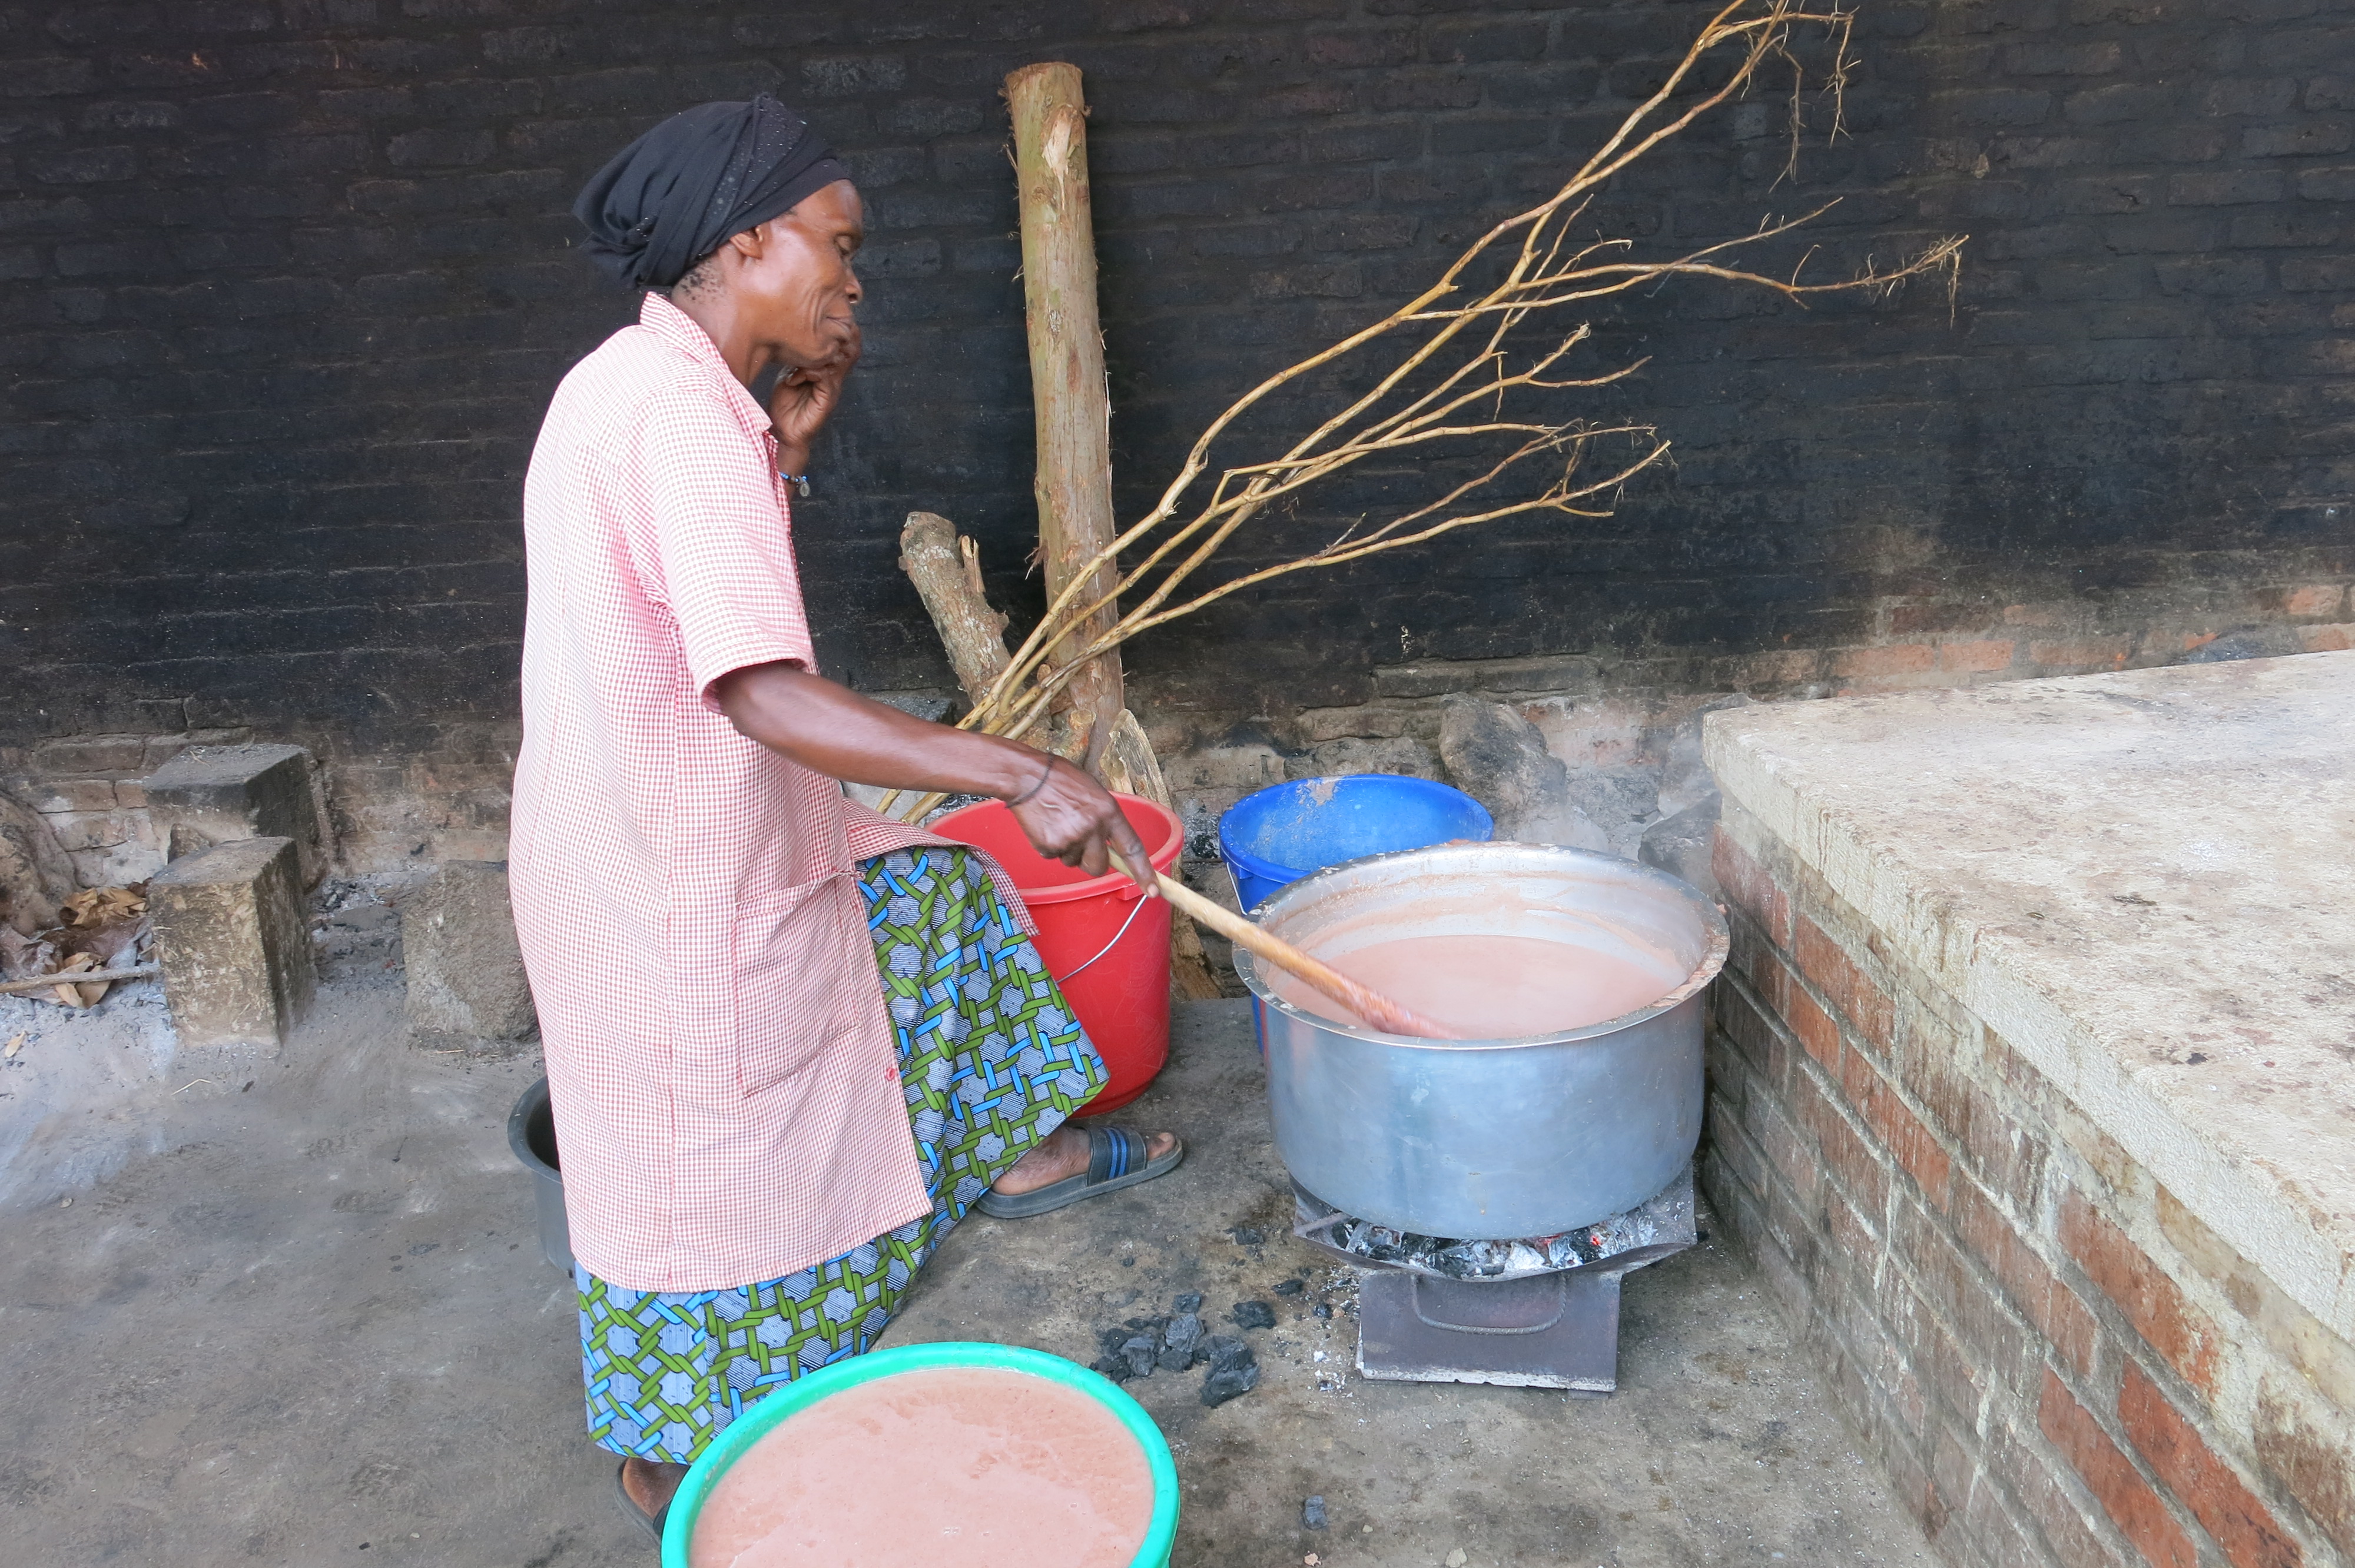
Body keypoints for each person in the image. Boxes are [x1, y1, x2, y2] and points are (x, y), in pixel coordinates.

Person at [512, 94, 1184, 1540]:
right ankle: (680, 1460)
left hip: (622, 834)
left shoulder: (634, 383)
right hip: (671, 872)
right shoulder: (681, 419)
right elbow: (758, 688)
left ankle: (1014, 1154)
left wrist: (790, 454)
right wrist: (1019, 771)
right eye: (838, 244)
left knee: (931, 896)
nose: (853, 279)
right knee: (710, 1160)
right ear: (747, 241)